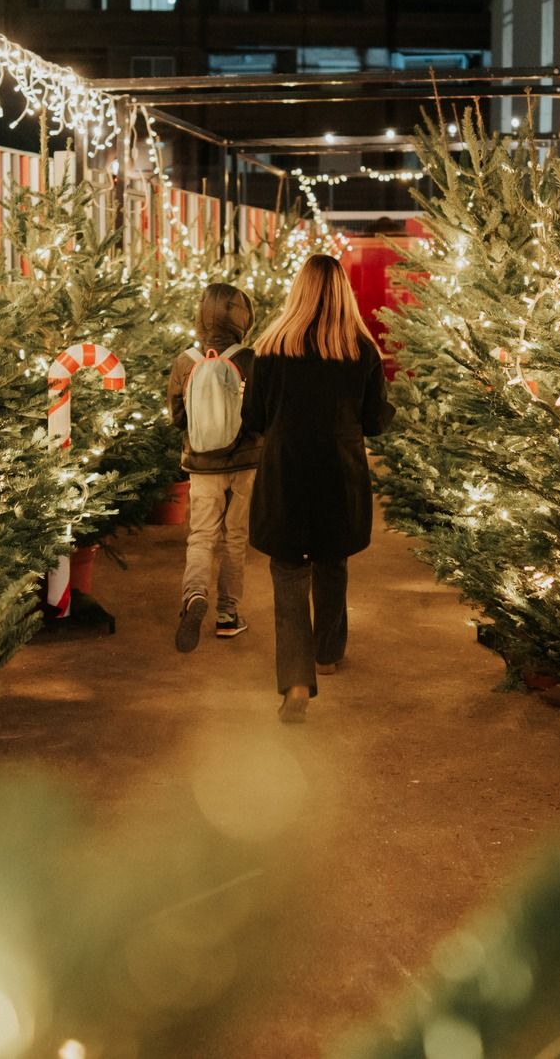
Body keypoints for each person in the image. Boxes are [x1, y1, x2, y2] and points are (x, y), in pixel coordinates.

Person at [241, 254, 393, 723]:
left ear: (298, 292)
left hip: (285, 471)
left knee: (288, 572)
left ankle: (296, 679)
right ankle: (327, 654)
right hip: (339, 473)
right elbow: (374, 422)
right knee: (332, 562)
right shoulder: (361, 352)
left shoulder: (269, 349)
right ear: (343, 293)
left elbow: (253, 420)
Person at [167, 283, 263, 651]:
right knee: (235, 538)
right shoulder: (249, 358)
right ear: (243, 316)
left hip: (201, 462)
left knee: (202, 536)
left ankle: (194, 597)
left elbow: (177, 417)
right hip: (243, 463)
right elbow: (260, 415)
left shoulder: (186, 360)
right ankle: (227, 615)